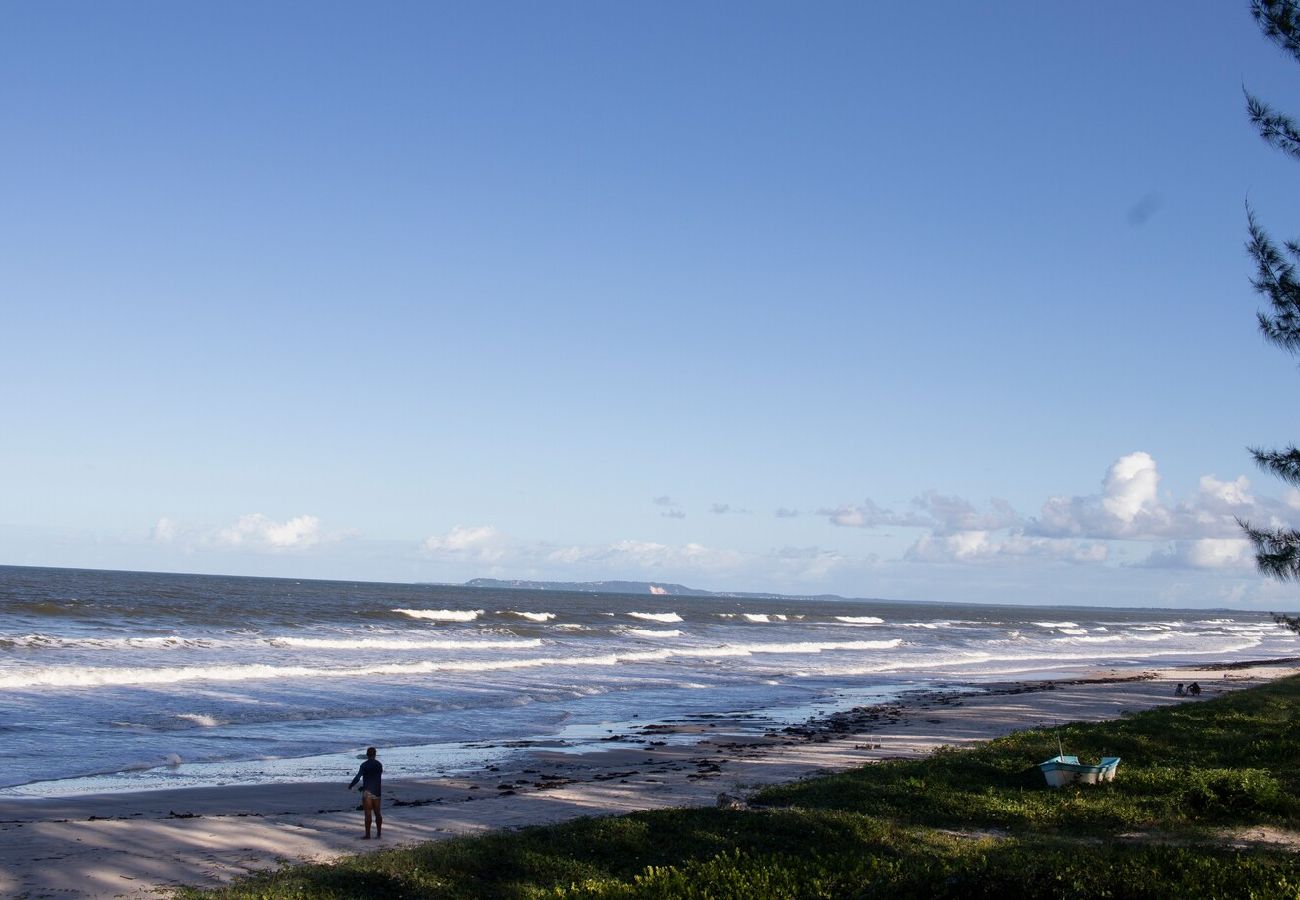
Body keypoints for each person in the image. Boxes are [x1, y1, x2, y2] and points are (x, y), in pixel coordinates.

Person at [348, 746, 383, 838]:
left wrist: (351, 785)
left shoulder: (364, 765)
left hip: (367, 792)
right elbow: (375, 778)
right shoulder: (379, 764)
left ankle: (368, 835)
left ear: (367, 755)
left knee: (368, 814)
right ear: (375, 755)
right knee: (377, 813)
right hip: (377, 791)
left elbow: (358, 778)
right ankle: (379, 834)